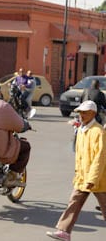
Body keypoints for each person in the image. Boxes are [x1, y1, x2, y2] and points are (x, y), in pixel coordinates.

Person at [46, 100, 106, 241]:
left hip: (98, 178)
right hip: (83, 177)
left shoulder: (98, 132)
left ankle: (64, 231)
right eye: (80, 112)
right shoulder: (81, 130)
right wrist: (79, 174)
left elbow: (100, 158)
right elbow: (80, 155)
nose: (81, 115)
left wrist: (92, 178)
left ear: (93, 114)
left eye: (85, 113)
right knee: (74, 202)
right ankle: (64, 231)